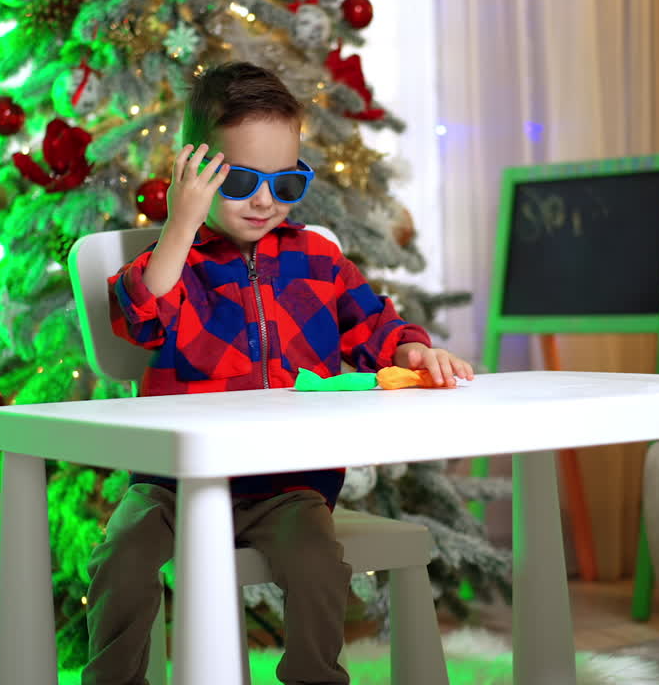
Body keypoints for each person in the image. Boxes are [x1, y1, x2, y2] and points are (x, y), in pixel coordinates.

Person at [82, 61, 474, 685]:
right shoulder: (177, 261)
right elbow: (141, 318)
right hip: (172, 483)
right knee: (122, 556)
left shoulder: (315, 258)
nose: (265, 200)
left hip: (287, 483)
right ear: (196, 175)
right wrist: (181, 225)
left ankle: (314, 677)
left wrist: (411, 352)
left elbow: (375, 327)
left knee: (317, 563)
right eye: (240, 180)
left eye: (285, 182)